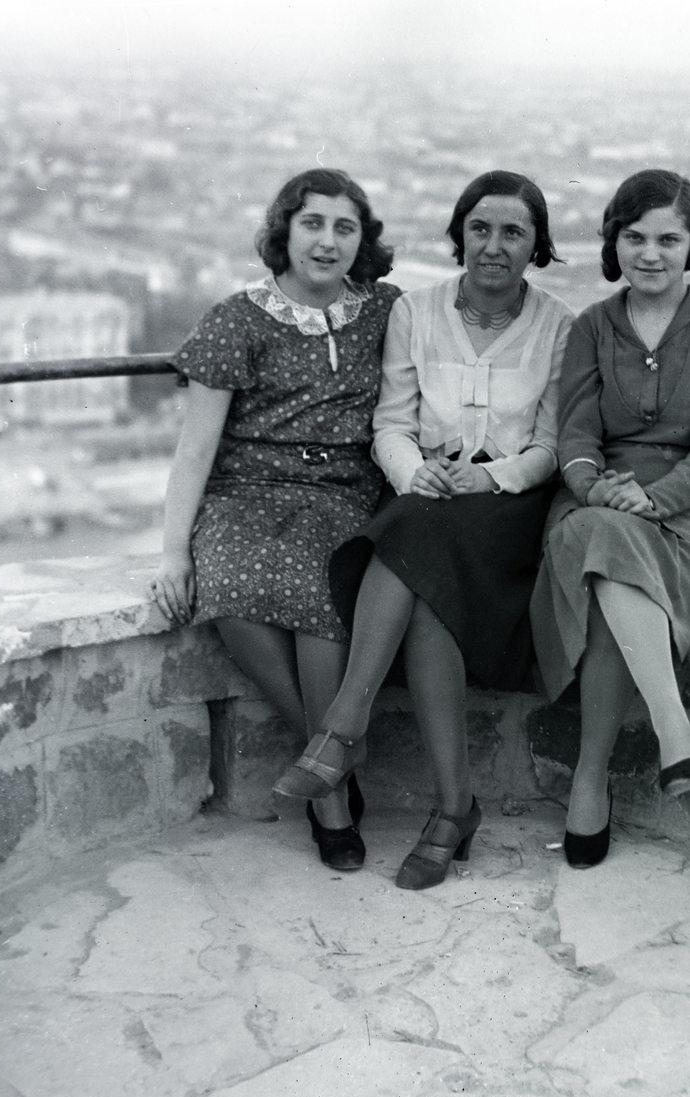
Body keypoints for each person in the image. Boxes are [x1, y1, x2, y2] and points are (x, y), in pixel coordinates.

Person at [271, 170, 576, 890]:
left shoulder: (561, 327)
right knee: (426, 588)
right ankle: (451, 808)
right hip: (428, 496)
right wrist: (415, 472)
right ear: (458, 235)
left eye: (512, 233)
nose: (493, 246)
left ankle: (345, 724)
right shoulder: (417, 310)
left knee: (415, 537)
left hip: (508, 509)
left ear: (536, 246)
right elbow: (392, 423)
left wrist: (492, 477)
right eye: (480, 228)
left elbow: (551, 444)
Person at [150, 168, 399, 872]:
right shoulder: (237, 318)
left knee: (322, 587)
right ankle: (333, 775)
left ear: (362, 240)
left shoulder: (386, 310)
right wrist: (173, 552)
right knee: (228, 585)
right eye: (313, 224)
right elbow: (195, 447)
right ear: (284, 231)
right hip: (246, 491)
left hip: (343, 490)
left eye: (344, 227)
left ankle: (325, 778)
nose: (327, 241)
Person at [530, 169, 690, 868]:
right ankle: (671, 728)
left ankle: (590, 779)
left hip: (688, 510)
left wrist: (653, 499)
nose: (650, 253)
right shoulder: (593, 327)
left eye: (668, 238)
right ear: (614, 243)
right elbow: (574, 437)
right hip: (599, 502)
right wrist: (597, 488)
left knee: (610, 576)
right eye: (634, 237)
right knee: (605, 537)